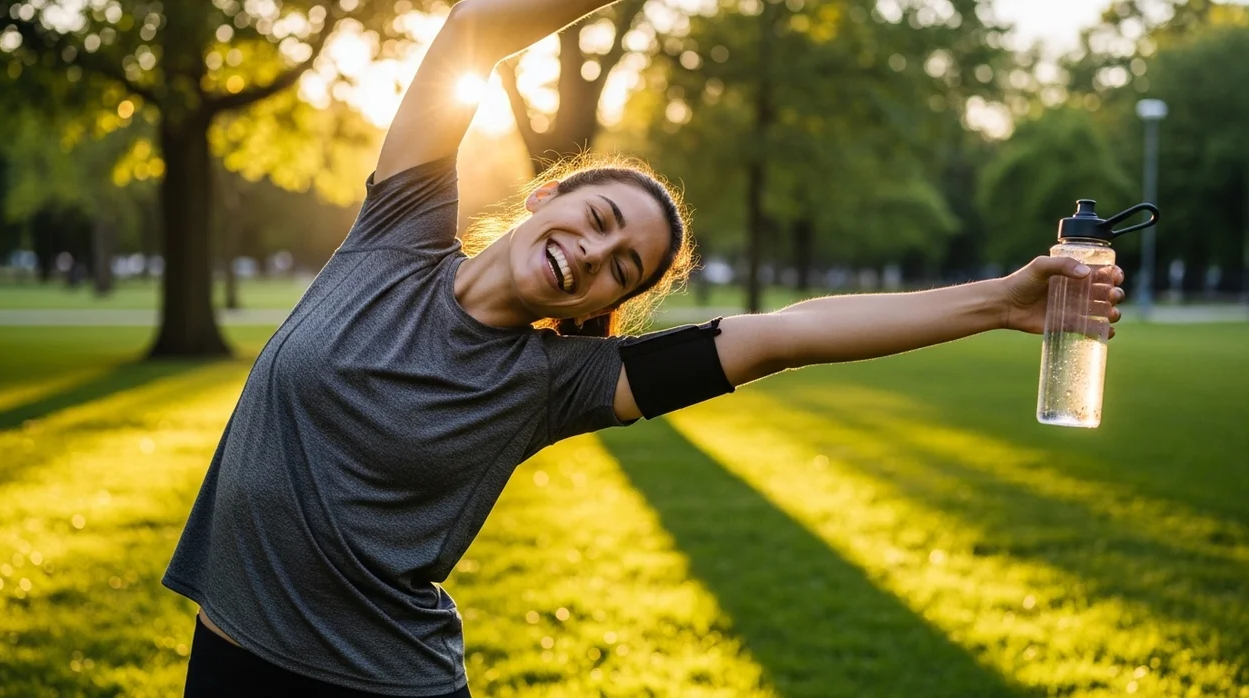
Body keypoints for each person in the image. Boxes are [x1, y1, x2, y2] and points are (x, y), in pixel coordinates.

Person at [163, 0, 1128, 695]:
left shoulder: (552, 383)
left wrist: (1001, 302)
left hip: (375, 680)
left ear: (608, 303)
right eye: (600, 220)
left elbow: (783, 337)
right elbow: (469, 33)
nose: (595, 254)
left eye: (624, 267)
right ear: (549, 197)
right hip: (227, 647)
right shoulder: (397, 234)